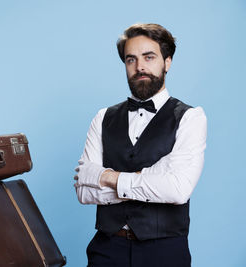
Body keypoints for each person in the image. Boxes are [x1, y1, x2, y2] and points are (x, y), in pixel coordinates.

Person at [74, 23, 207, 267]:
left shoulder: (190, 117)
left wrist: (107, 177)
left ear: (167, 62)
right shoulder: (103, 117)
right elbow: (84, 191)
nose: (140, 67)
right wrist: (151, 180)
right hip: (107, 249)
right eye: (131, 59)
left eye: (149, 57)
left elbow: (177, 190)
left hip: (165, 251)